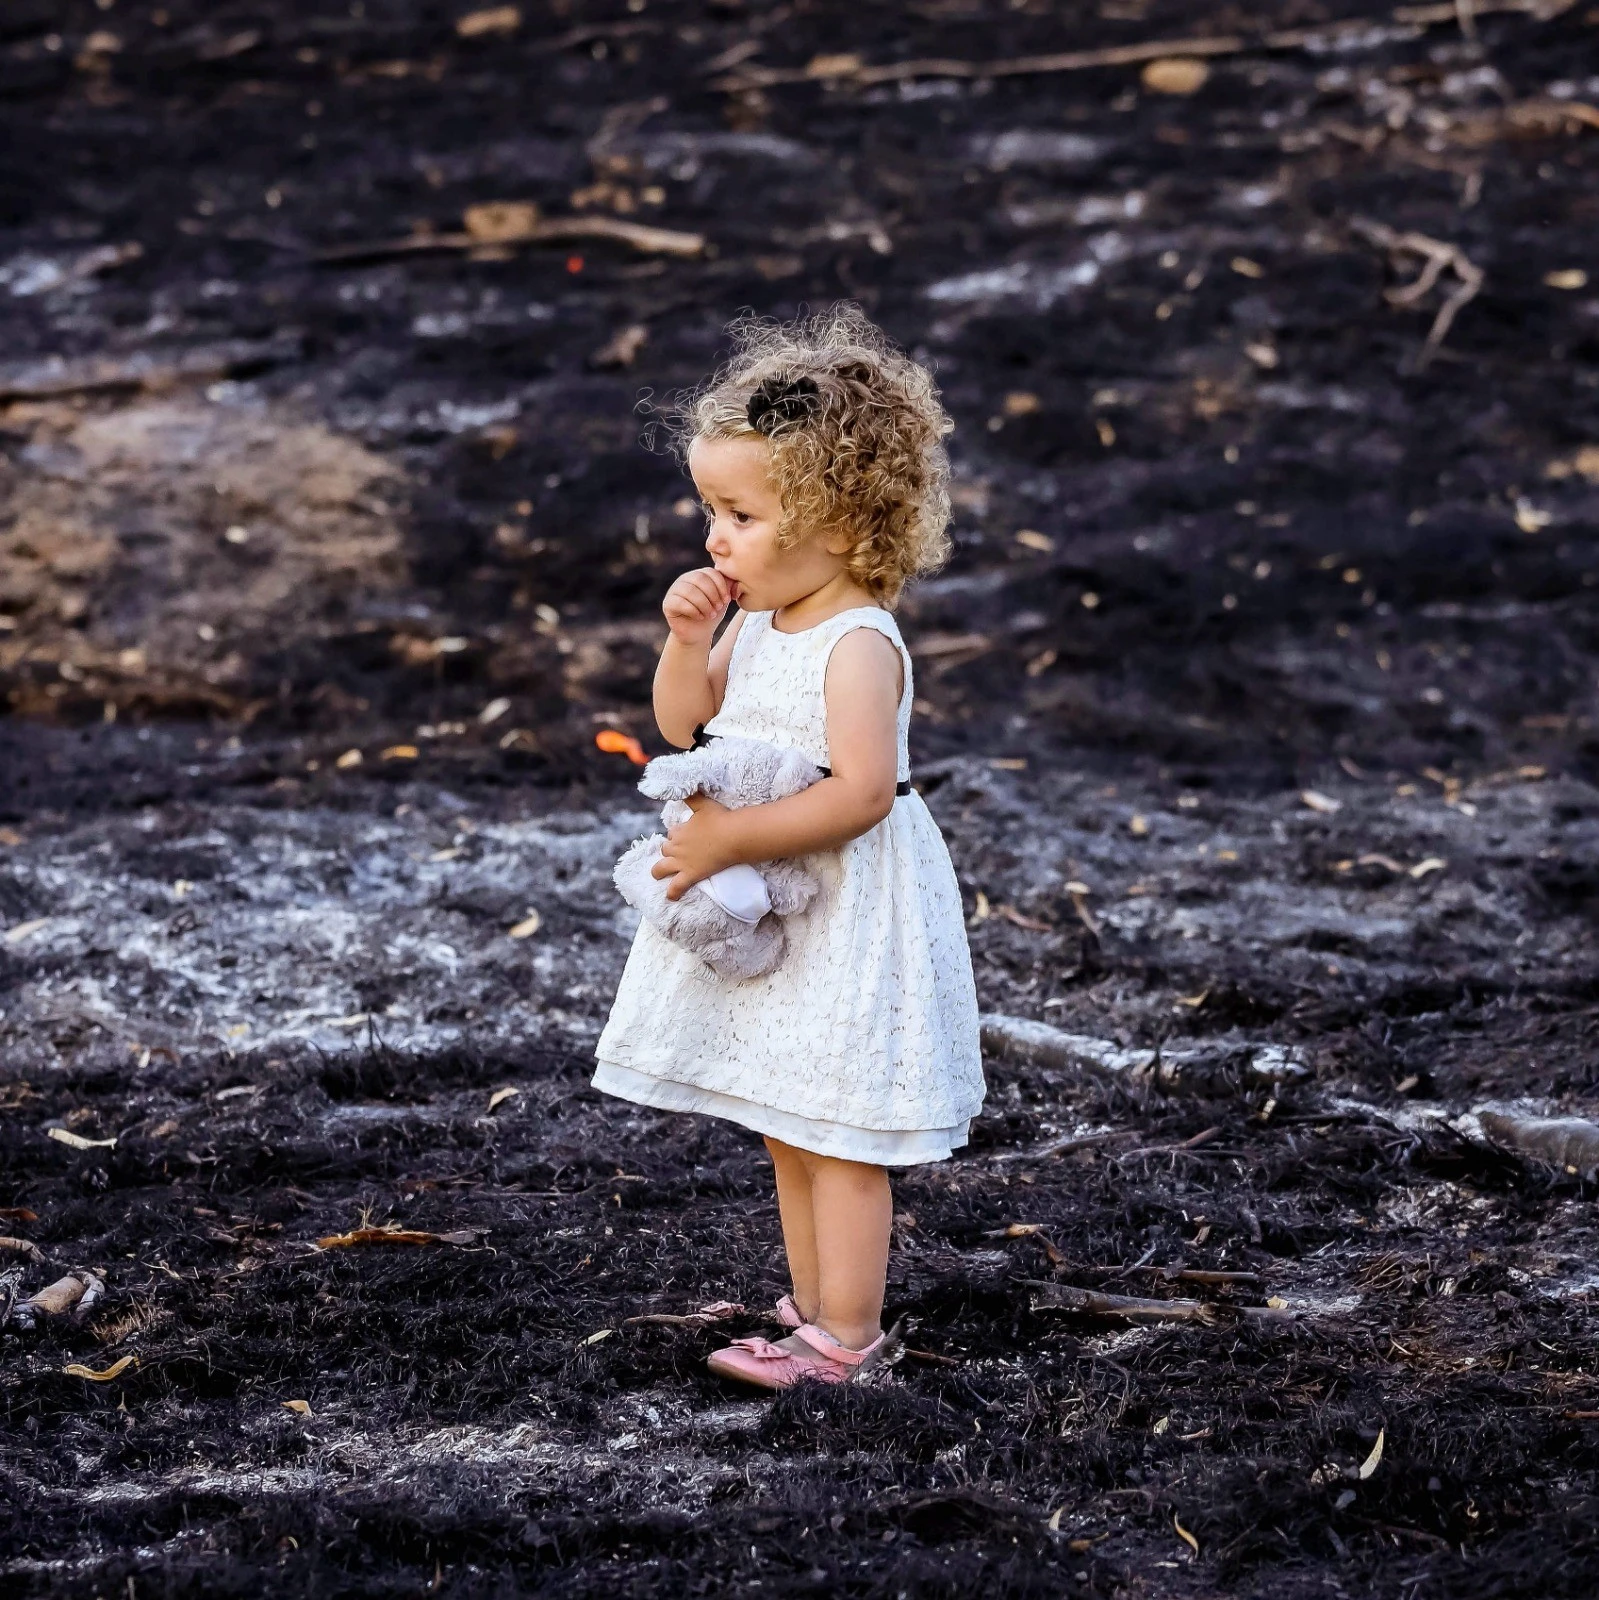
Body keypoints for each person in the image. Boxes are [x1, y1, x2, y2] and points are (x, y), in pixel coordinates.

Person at [592, 304, 985, 1389]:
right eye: (709, 510)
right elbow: (685, 726)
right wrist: (685, 641)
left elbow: (861, 794)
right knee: (787, 1120)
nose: (716, 539)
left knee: (843, 1131)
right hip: (779, 900)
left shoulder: (859, 645)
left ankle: (845, 1340)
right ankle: (811, 1309)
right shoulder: (756, 620)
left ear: (845, 525)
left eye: (743, 515)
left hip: (845, 906)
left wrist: (730, 840)